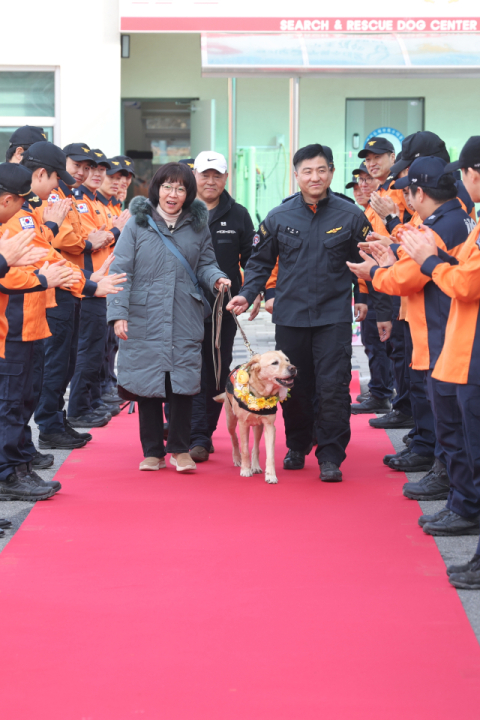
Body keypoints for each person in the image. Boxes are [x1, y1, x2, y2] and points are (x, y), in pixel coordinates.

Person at [227, 143, 371, 482]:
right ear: (296, 175)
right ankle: (297, 444)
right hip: (291, 316)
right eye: (307, 171)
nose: (315, 176)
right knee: (292, 387)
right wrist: (248, 294)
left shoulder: (351, 216)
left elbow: (368, 261)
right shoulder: (279, 217)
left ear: (332, 173)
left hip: (333, 316)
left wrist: (365, 297)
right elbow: (259, 263)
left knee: (334, 386)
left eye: (321, 170)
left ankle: (331, 455)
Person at [0, 148, 126, 500]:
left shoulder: (24, 215)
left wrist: (85, 281)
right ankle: (8, 473)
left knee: (23, 397)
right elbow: (19, 273)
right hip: (13, 326)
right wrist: (64, 280)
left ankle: (17, 464)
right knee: (11, 402)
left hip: (30, 321)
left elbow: (49, 257)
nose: (38, 203)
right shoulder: (18, 219)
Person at [348, 156, 474, 501]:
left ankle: (451, 483)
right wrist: (393, 248)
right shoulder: (458, 218)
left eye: (409, 191)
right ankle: (449, 478)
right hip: (442, 328)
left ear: (419, 192)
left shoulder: (441, 226)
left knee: (447, 417)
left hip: (438, 331)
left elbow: (408, 276)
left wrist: (373, 273)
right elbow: (412, 255)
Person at [107, 162, 230, 472]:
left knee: (184, 385)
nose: (172, 194)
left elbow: (205, 264)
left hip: (184, 315)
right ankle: (152, 452)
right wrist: (118, 314)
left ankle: (179, 449)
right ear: (156, 188)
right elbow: (121, 270)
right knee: (147, 384)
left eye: (180, 188)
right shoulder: (137, 224)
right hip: (143, 314)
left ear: (188, 193)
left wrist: (216, 278)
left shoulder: (198, 226)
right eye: (166, 187)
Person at [399, 136, 480, 589]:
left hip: (469, 350)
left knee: (469, 444)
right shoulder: (471, 223)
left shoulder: (456, 221)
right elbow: (462, 271)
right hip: (460, 346)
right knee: (465, 442)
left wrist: (429, 261)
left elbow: (465, 285)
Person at [34, 142, 110, 453]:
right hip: (56, 288)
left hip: (74, 283)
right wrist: (96, 239)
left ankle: (55, 420)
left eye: (88, 167)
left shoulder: (66, 196)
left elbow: (84, 238)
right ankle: (48, 425)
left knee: (67, 361)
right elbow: (69, 241)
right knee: (55, 362)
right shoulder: (52, 198)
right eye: (75, 165)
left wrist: (95, 239)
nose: (81, 171)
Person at [189, 151, 256, 462]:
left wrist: (254, 293)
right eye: (205, 174)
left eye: (217, 175)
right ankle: (184, 428)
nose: (211, 180)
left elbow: (253, 261)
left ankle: (202, 435)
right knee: (182, 366)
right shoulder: (179, 210)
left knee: (216, 369)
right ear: (194, 175)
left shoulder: (239, 214)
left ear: (226, 178)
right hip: (183, 305)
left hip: (224, 308)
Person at [67, 150, 129, 428]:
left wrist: (111, 232)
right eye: (87, 168)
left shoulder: (104, 205)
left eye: (99, 169)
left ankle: (95, 398)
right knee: (89, 349)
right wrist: (114, 231)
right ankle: (81, 406)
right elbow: (91, 241)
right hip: (89, 282)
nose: (96, 174)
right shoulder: (79, 202)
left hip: (106, 282)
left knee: (104, 347)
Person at [346, 165, 396, 416]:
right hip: (374, 284)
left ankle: (381, 393)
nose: (361, 187)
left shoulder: (379, 213)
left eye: (366, 181)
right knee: (373, 341)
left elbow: (381, 254)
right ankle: (381, 389)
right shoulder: (364, 213)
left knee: (379, 342)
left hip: (384, 285)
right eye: (357, 184)